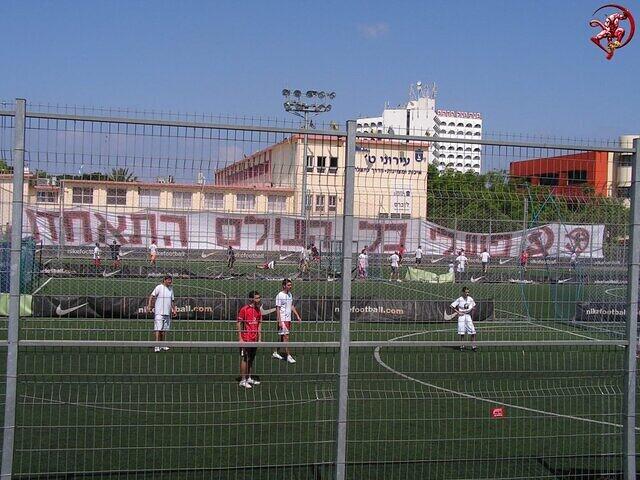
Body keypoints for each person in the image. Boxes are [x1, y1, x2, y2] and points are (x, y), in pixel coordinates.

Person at [237, 290, 262, 389]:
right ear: (251, 299)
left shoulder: (258, 310)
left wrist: (259, 338)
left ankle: (249, 377)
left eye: (259, 297)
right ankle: (243, 380)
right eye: (257, 298)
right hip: (246, 339)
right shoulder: (244, 309)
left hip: (254, 338)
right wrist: (240, 338)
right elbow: (238, 323)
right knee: (245, 358)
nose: (259, 299)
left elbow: (259, 323)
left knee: (251, 358)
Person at [272, 278, 302, 363]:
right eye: (288, 285)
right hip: (283, 319)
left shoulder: (290, 294)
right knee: (286, 337)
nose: (290, 286)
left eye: (291, 285)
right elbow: (277, 308)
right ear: (284, 286)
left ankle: (275, 352)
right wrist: (280, 321)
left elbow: (291, 306)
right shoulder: (280, 295)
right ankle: (288, 355)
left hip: (288, 319)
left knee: (282, 337)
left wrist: (297, 316)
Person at [147, 275, 177, 352]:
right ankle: (157, 346)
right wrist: (149, 306)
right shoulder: (159, 287)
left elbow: (172, 301)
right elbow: (152, 296)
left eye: (171, 280)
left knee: (164, 330)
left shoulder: (171, 289)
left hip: (167, 312)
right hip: (159, 312)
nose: (170, 282)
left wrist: (174, 310)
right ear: (164, 280)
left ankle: (163, 344)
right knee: (158, 329)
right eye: (169, 280)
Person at [451, 286, 477, 351]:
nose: (467, 294)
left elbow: (474, 306)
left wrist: (472, 314)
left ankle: (473, 346)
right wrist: (458, 312)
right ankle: (462, 346)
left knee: (473, 332)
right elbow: (451, 306)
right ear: (463, 292)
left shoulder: (470, 299)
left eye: (468, 292)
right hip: (461, 317)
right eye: (466, 292)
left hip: (468, 316)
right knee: (462, 333)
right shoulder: (459, 299)